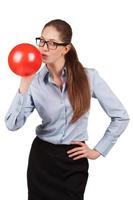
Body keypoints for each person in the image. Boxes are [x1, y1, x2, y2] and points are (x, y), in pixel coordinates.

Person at [5, 19, 129, 200]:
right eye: (42, 41)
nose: (44, 47)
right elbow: (12, 124)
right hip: (42, 160)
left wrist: (98, 150)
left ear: (66, 48)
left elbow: (121, 116)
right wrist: (24, 84)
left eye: (52, 43)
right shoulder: (34, 82)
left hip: (74, 160)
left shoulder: (89, 77)